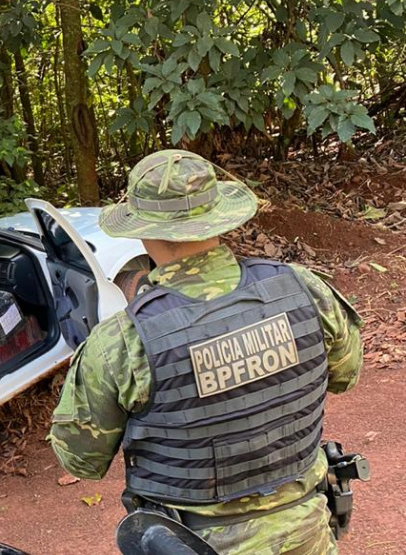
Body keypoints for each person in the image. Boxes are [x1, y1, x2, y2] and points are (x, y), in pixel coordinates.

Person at [47, 150, 364, 554]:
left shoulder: (121, 342)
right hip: (307, 532)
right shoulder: (303, 288)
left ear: (142, 230)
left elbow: (80, 460)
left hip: (193, 543)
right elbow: (345, 374)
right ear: (218, 216)